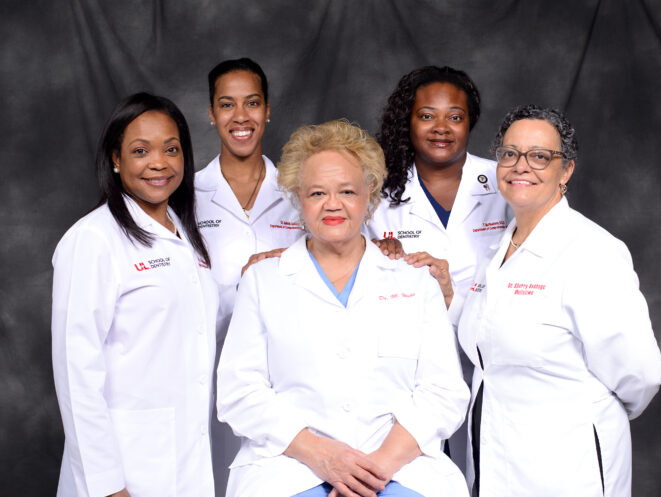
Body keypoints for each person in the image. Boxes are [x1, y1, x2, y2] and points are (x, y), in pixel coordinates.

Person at [217, 119, 470, 497]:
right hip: (291, 467)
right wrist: (323, 458)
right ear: (296, 196)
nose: (332, 204)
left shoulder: (414, 280)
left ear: (369, 193)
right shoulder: (263, 280)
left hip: (398, 467)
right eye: (317, 192)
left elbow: (444, 392)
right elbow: (240, 392)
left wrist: (372, 470)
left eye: (347, 191)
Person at [458, 105, 661, 497]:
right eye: (509, 153)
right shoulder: (497, 250)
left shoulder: (592, 252)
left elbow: (641, 375)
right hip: (494, 461)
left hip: (568, 467)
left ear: (565, 171)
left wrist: (586, 413)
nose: (521, 166)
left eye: (539, 156)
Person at [52, 93, 218, 497]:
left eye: (171, 149)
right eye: (140, 151)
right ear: (115, 159)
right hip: (125, 470)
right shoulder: (93, 239)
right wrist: (108, 486)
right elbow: (76, 374)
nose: (159, 163)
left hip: (187, 457)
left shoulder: (186, 236)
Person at [194, 58, 304, 493]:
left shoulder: (299, 192)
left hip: (284, 371)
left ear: (268, 109)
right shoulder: (187, 195)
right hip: (206, 364)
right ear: (211, 113)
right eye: (227, 105)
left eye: (252, 103)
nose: (241, 117)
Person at [368, 65, 512, 321]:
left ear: (470, 122)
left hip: (490, 346)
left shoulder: (506, 182)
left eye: (455, 117)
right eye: (427, 116)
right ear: (408, 122)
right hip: (410, 345)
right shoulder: (375, 191)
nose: (441, 128)